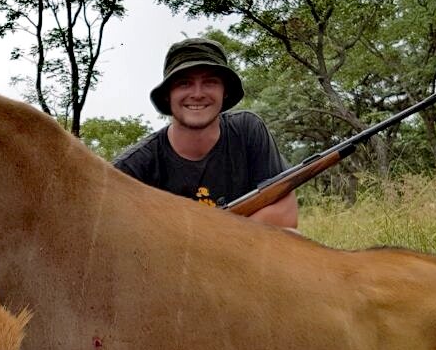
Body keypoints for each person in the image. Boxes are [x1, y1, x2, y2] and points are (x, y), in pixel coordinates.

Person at [113, 38, 298, 228]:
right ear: (168, 95)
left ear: (224, 91)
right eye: (184, 83)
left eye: (210, 82)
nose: (198, 93)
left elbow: (285, 213)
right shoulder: (132, 169)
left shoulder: (247, 130)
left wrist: (209, 239)